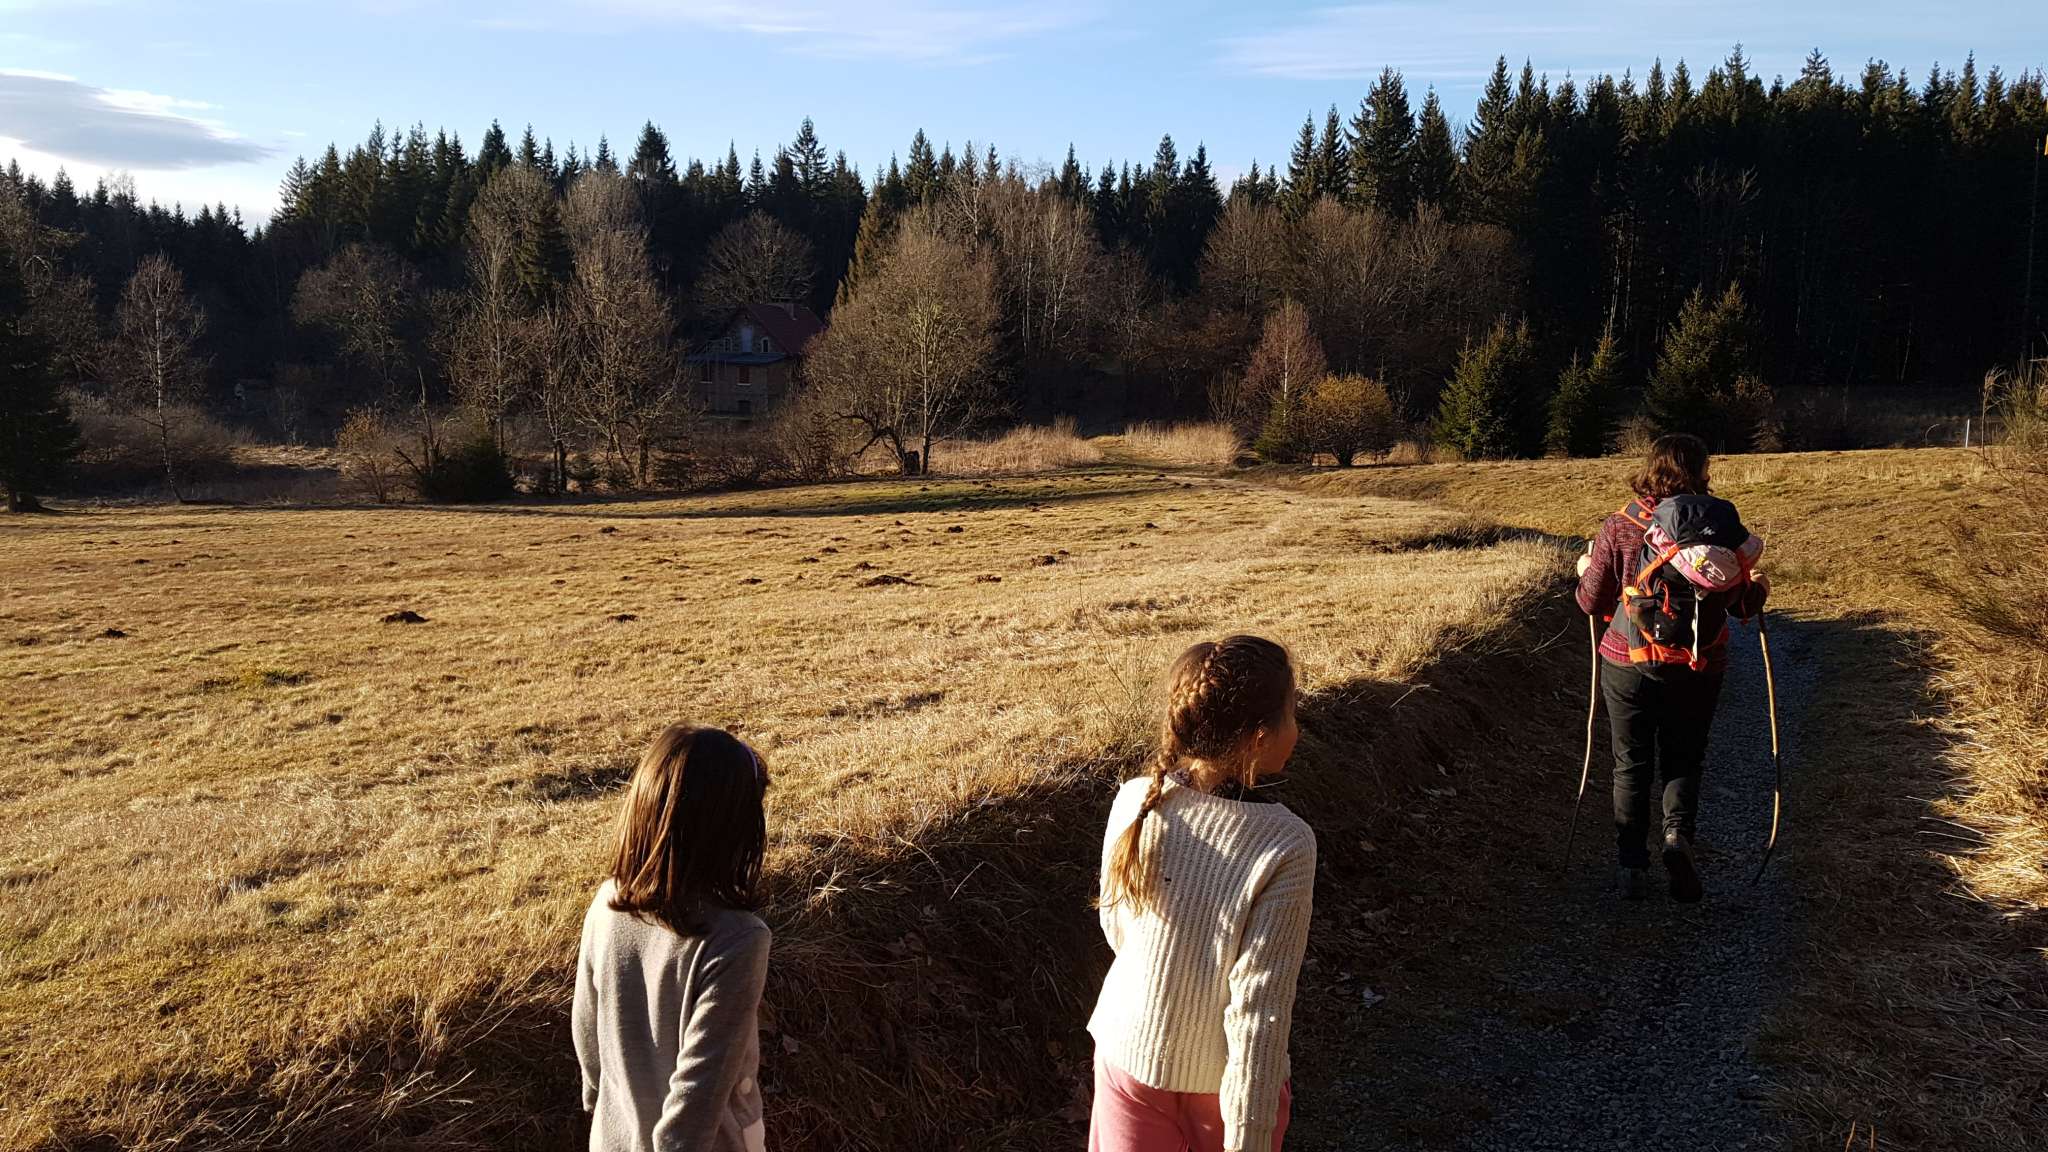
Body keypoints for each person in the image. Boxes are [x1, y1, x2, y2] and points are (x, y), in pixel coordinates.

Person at [1088, 635, 1315, 1152]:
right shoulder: (1285, 843)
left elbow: (1117, 926)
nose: (1297, 729)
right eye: (1292, 713)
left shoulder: (1136, 799)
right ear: (1259, 736)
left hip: (1126, 1055)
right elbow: (1259, 1009)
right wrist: (1250, 1138)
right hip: (1224, 1089)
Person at [1575, 434, 1769, 902]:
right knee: (1685, 757)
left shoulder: (1621, 524)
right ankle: (1677, 838)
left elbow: (1591, 602)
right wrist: (1760, 588)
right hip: (1701, 662)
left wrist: (1584, 569)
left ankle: (1631, 868)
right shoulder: (1719, 525)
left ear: (1651, 469)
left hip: (1628, 660)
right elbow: (1741, 607)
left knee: (1631, 762)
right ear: (1702, 472)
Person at [573, 725, 772, 1152]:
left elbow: (588, 1037)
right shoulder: (738, 940)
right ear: (734, 830)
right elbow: (695, 1105)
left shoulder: (606, 903)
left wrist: (604, 1109)